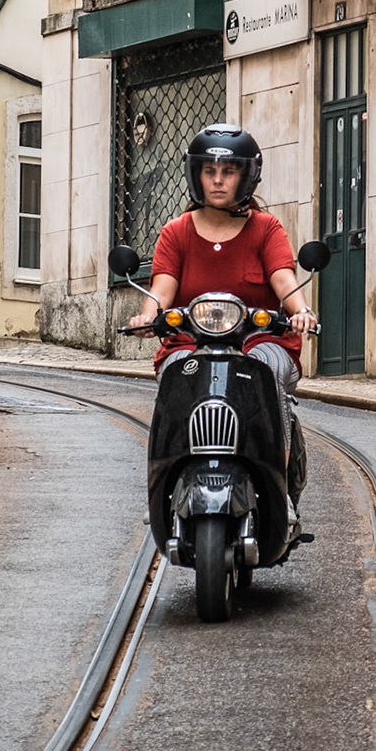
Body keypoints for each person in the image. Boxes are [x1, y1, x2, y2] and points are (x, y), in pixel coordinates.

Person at [127, 123, 318, 507]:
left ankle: (277, 484)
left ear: (245, 175)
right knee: (176, 373)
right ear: (196, 174)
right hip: (189, 343)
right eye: (209, 171)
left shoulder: (266, 229)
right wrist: (147, 316)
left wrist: (301, 312)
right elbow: (162, 289)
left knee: (266, 369)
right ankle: (169, 480)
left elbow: (283, 280)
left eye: (228, 172)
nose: (218, 181)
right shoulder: (176, 232)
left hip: (259, 340)